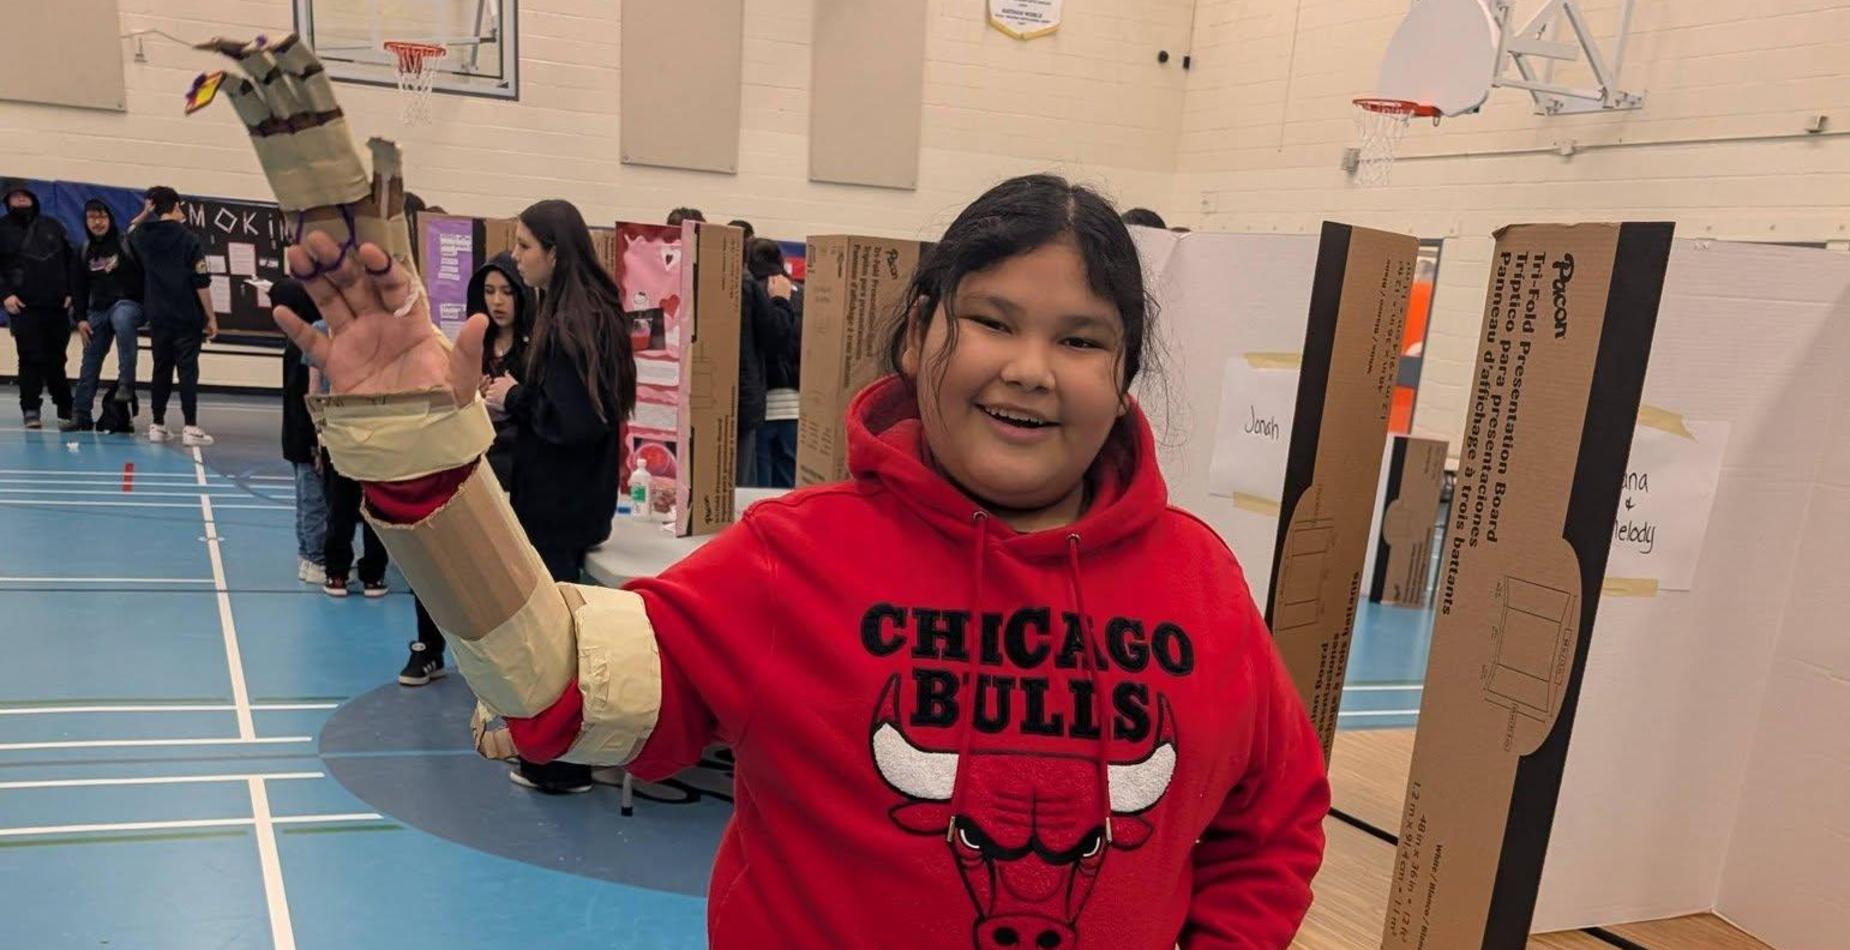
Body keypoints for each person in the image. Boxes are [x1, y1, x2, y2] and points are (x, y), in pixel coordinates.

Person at [279, 173, 1329, 947]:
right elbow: (557, 683)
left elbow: (1272, 816)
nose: (1029, 368)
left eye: (1081, 339)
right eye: (993, 321)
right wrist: (423, 458)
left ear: (1122, 373)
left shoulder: (1197, 581)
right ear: (920, 335)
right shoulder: (795, 558)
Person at [476, 199, 636, 791]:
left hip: (561, 507)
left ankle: (562, 763)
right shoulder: (581, 313)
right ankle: (559, 755)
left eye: (522, 247)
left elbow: (573, 422)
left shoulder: (576, 323)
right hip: (567, 501)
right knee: (562, 639)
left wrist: (513, 397)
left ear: (553, 251)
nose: (516, 258)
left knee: (559, 645)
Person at [402, 251, 531, 688]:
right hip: (467, 463)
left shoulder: (538, 351)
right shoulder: (468, 345)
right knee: (436, 558)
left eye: (507, 291)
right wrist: (467, 396)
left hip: (519, 472)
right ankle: (427, 648)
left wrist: (511, 399)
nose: (498, 301)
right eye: (490, 291)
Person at [127, 186, 217, 446]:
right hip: (187, 314)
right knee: (188, 370)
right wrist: (211, 317)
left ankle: (157, 424)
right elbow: (201, 281)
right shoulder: (190, 239)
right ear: (176, 206)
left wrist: (146, 213)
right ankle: (190, 427)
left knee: (161, 368)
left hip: (158, 315)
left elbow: (130, 230)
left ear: (153, 207)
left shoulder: (144, 234)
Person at [0, 183, 79, 430]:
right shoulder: (1, 229)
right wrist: (5, 295)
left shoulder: (53, 226)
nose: (21, 200)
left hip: (56, 306)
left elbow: (71, 262)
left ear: (33, 199)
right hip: (23, 306)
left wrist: (71, 293)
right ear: (8, 200)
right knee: (30, 358)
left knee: (57, 359)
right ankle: (30, 409)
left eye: (25, 196)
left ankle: (66, 407)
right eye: (16, 196)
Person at [70, 200, 146, 431]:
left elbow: (138, 231)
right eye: (92, 218)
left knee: (122, 319)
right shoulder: (83, 251)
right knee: (90, 360)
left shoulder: (126, 242)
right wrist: (81, 319)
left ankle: (126, 384)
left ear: (110, 219)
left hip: (128, 304)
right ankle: (81, 415)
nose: (97, 222)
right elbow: (78, 288)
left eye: (101, 217)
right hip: (98, 310)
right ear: (86, 222)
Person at [273, 278, 327, 586]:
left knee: (307, 500)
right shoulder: (302, 350)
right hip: (304, 439)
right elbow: (306, 399)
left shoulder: (297, 346)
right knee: (314, 501)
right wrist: (313, 443)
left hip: (295, 437)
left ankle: (308, 554)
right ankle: (315, 557)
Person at [747, 237, 801, 487]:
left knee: (759, 486)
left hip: (762, 403)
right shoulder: (802, 293)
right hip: (796, 405)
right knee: (789, 484)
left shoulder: (749, 293)